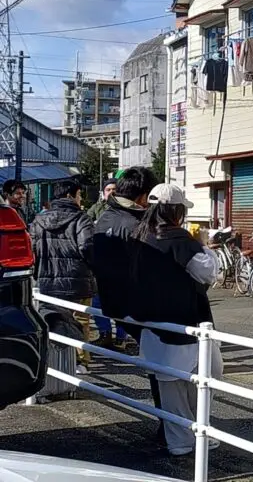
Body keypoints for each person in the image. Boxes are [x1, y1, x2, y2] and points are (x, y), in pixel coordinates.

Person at [131, 183, 221, 456]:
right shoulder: (182, 241)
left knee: (169, 385)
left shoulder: (138, 237)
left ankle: (179, 441)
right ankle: (197, 435)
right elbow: (208, 273)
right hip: (188, 319)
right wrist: (205, 246)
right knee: (206, 376)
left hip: (153, 321)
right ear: (176, 211)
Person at [88, 166, 162, 442]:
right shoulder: (136, 225)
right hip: (140, 305)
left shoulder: (104, 217)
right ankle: (170, 426)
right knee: (163, 368)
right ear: (143, 196)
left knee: (158, 364)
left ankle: (169, 423)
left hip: (113, 301)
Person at [30, 177, 97, 369]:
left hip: (47, 279)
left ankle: (55, 362)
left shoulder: (39, 219)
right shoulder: (81, 218)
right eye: (78, 195)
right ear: (70, 195)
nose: (80, 200)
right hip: (78, 280)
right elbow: (88, 248)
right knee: (81, 320)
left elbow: (32, 248)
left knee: (53, 318)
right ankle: (80, 361)